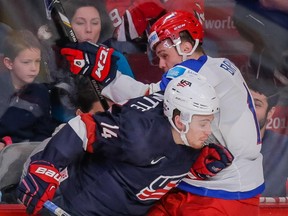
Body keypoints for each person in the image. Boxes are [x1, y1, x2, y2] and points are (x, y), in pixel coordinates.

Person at [61, 10, 264, 215]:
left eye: (164, 55)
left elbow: (145, 99)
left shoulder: (194, 73)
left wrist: (106, 74)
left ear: (186, 47)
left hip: (224, 193)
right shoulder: (219, 65)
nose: (161, 64)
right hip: (198, 184)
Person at [17, 74, 234, 216]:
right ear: (179, 120)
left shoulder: (187, 132)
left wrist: (194, 168)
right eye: (203, 123)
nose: (208, 131)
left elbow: (163, 165)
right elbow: (82, 128)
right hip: (74, 203)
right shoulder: (139, 134)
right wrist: (47, 167)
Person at [0, 29, 57, 146]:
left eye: (37, 61)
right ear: (9, 63)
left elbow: (44, 133)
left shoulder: (41, 93)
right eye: (26, 62)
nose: (34, 68)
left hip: (24, 155)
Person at [247, 78, 288, 197]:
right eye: (245, 102)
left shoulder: (283, 147)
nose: (249, 109)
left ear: (270, 113)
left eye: (257, 104)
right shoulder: (220, 144)